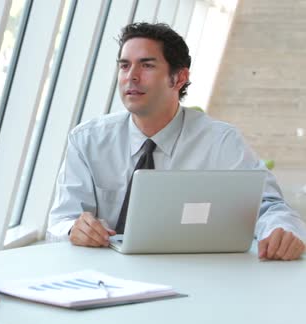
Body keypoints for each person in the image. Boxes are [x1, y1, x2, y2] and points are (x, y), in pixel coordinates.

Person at [47, 22, 306, 261]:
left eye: (146, 65)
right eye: (125, 65)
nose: (131, 76)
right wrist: (73, 228)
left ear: (179, 78)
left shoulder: (220, 141)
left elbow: (270, 206)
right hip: (104, 277)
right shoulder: (88, 140)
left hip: (196, 275)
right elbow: (60, 221)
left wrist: (281, 230)